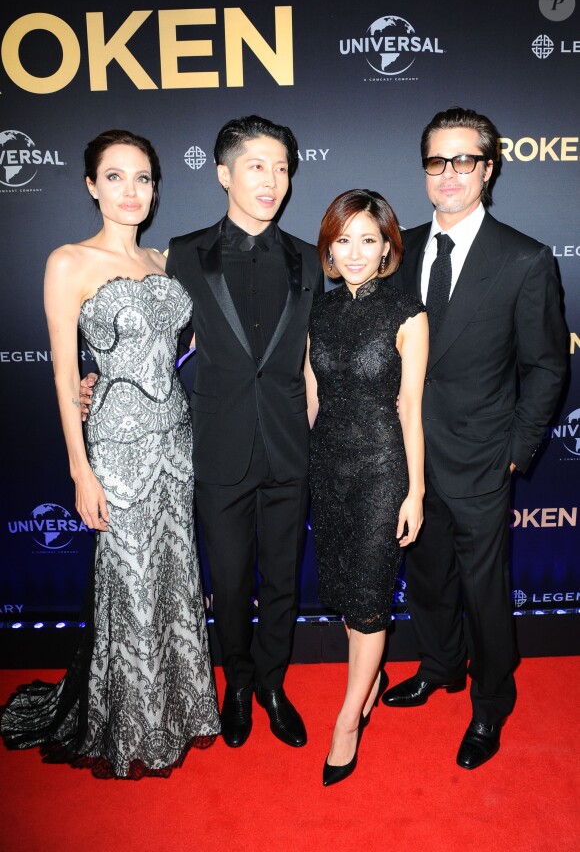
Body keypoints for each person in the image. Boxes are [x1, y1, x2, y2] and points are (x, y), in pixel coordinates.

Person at [83, 115, 324, 748]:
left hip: (289, 446)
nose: (272, 180)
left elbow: (306, 356)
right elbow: (151, 339)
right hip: (215, 447)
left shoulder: (306, 257)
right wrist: (98, 383)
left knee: (281, 578)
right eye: (256, 166)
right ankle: (237, 685)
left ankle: (272, 684)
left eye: (281, 168)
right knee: (232, 578)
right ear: (223, 174)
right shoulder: (183, 255)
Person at [0, 130, 220, 779]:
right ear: (92, 185)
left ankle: (181, 708)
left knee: (176, 576)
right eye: (116, 177)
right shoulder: (68, 262)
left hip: (175, 441)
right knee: (128, 582)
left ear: (156, 189)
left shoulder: (163, 261)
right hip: (116, 448)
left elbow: (177, 348)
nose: (132, 191)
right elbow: (67, 376)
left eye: (144, 178)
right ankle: (129, 719)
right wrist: (79, 467)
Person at [381, 107, 567, 770]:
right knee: (426, 576)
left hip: (482, 458)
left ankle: (491, 703)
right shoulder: (394, 250)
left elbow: (547, 365)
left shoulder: (524, 258)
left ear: (488, 168)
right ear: (425, 170)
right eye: (438, 161)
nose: (450, 174)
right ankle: (439, 668)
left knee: (484, 589)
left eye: (465, 160)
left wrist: (516, 449)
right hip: (408, 454)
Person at [304, 189, 429, 786]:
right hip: (327, 469)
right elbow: (311, 396)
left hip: (382, 469)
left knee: (372, 596)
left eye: (369, 240)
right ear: (329, 247)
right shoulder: (319, 311)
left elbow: (411, 408)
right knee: (348, 593)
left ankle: (349, 719)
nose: (355, 252)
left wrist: (416, 491)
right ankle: (369, 679)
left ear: (387, 248)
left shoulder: (408, 313)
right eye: (343, 239)